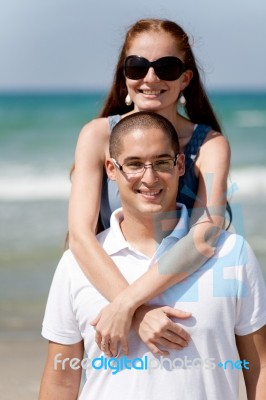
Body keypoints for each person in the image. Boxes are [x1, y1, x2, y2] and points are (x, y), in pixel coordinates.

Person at [39, 112, 266, 400]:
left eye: (161, 162)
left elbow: (259, 367)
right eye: (133, 164)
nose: (149, 177)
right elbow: (61, 381)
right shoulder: (77, 264)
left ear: (180, 164)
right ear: (111, 169)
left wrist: (127, 305)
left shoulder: (232, 254)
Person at [68, 18, 231, 357]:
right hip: (107, 283)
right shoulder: (97, 136)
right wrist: (135, 311)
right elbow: (80, 236)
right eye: (138, 66)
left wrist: (130, 303)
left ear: (185, 78)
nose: (151, 79)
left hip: (180, 286)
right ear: (124, 75)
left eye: (167, 67)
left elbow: (207, 230)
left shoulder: (209, 145)